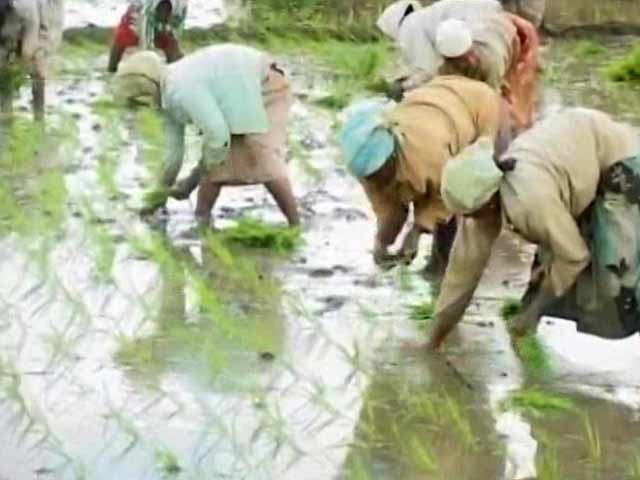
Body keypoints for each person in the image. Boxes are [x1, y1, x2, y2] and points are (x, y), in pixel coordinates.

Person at [428, 108, 640, 350]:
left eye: (471, 214)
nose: (470, 220)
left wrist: (537, 309)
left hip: (618, 161)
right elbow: (462, 273)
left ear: (488, 202)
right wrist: (433, 340)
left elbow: (574, 256)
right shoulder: (483, 197)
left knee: (617, 283)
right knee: (547, 270)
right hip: (575, 165)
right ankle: (525, 333)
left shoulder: (528, 202)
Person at [340, 75, 516, 271]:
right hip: (438, 100)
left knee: (472, 199)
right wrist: (382, 242)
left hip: (481, 108)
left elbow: (447, 197)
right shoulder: (368, 169)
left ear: (392, 157)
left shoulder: (428, 153)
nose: (377, 182)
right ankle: (443, 267)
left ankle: (459, 269)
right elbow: (388, 208)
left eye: (380, 175)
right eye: (371, 178)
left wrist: (417, 231)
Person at [114, 44, 299, 227]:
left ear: (146, 90)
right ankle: (201, 220)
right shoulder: (164, 96)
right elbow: (173, 156)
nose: (142, 110)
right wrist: (157, 199)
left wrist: (191, 181)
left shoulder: (181, 90)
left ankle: (295, 225)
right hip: (235, 94)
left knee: (260, 156)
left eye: (139, 103)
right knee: (215, 165)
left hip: (263, 83)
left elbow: (218, 137)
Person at [377, 0, 539, 128]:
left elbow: (427, 69)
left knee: (488, 95)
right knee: (505, 87)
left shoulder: (409, 27)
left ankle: (501, 131)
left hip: (485, 40)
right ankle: (521, 122)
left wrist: (406, 90)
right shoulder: (429, 16)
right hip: (500, 22)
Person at [0, 0, 64, 120]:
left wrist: (22, 65)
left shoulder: (26, 10)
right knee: (6, 67)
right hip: (15, 16)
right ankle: (6, 113)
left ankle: (38, 116)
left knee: (36, 63)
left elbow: (29, 49)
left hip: (32, 16)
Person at [108, 0, 186, 73]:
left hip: (165, 26)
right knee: (121, 41)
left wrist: (169, 33)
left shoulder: (182, 4)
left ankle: (173, 74)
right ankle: (111, 68)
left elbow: (178, 25)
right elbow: (144, 24)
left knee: (174, 53)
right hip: (137, 20)